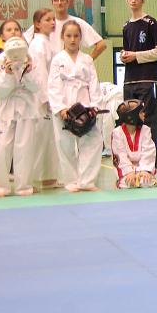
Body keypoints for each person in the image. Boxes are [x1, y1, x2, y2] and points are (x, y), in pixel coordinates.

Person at [0, 19, 41, 197]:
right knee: (3, 147)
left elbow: (36, 86)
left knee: (24, 148)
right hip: (6, 107)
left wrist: (27, 73)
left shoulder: (31, 59)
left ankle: (24, 186)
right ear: (2, 36)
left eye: (16, 29)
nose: (13, 32)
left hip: (26, 108)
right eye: (9, 30)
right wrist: (8, 74)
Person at [48, 21, 103, 193]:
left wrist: (95, 106)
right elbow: (53, 85)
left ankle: (87, 181)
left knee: (93, 141)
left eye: (76, 36)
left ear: (80, 38)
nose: (72, 39)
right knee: (65, 144)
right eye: (68, 36)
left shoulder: (87, 59)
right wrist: (60, 108)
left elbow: (94, 83)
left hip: (84, 103)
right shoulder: (57, 59)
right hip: (65, 104)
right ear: (62, 37)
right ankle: (71, 181)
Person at [121, 0, 157, 163]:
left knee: (147, 122)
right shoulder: (126, 26)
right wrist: (124, 56)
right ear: (127, 1)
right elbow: (127, 50)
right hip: (129, 81)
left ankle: (150, 166)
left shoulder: (150, 23)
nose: (133, 0)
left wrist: (137, 56)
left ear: (142, 0)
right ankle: (132, 164)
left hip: (146, 80)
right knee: (129, 122)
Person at [28, 8, 62, 188]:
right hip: (40, 99)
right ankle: (37, 179)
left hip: (51, 95)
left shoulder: (48, 43)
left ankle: (49, 177)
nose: (53, 22)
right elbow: (39, 73)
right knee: (41, 138)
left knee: (49, 139)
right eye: (48, 19)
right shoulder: (37, 44)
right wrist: (46, 98)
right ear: (37, 24)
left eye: (53, 19)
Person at [24, 0, 107, 58]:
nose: (59, 3)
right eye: (56, 0)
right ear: (52, 3)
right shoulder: (44, 24)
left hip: (69, 68)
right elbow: (23, 40)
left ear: (68, 2)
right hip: (49, 68)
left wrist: (88, 61)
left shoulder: (78, 23)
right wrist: (28, 59)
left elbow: (102, 45)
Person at [111, 99, 157, 189]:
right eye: (141, 112)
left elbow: (148, 151)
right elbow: (120, 155)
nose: (144, 114)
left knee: (145, 182)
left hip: (143, 167)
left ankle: (145, 173)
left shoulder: (146, 130)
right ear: (132, 116)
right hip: (126, 170)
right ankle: (124, 178)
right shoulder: (117, 133)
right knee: (128, 183)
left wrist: (144, 170)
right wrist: (129, 172)